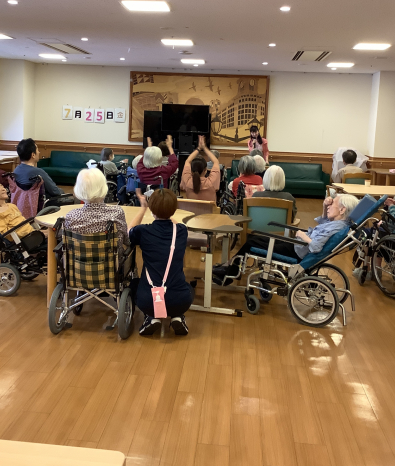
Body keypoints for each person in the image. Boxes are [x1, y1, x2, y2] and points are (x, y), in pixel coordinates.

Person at [213, 193, 359, 281]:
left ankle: (229, 271)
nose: (329, 206)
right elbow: (323, 222)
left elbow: (315, 246)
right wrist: (324, 205)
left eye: (332, 204)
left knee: (251, 244)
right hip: (296, 246)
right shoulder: (340, 224)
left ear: (342, 209)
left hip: (296, 251)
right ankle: (229, 267)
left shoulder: (335, 226)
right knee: (254, 239)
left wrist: (302, 235)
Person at [127, 188, 193, 336]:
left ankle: (151, 317)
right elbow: (175, 224)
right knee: (189, 287)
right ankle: (177, 316)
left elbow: (129, 231)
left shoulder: (143, 231)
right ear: (174, 209)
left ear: (152, 209)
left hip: (148, 300)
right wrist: (167, 212)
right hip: (180, 300)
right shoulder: (181, 231)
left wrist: (143, 208)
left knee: (134, 284)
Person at [64, 168, 130, 260]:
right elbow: (126, 241)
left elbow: (62, 238)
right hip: (112, 265)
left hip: (78, 267)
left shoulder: (71, 216)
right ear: (104, 187)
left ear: (79, 189)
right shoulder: (117, 213)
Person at [0, 180, 48, 252]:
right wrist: (21, 235)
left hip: (31, 233)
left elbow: (23, 222)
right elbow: (3, 233)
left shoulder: (12, 206)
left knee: (55, 231)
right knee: (54, 235)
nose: (3, 189)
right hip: (22, 239)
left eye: (1, 186)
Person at [180, 135, 220, 201]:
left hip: (191, 208)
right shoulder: (211, 182)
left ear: (191, 170)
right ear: (205, 170)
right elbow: (216, 162)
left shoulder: (187, 181)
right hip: (209, 208)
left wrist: (198, 148)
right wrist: (204, 148)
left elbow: (187, 161)